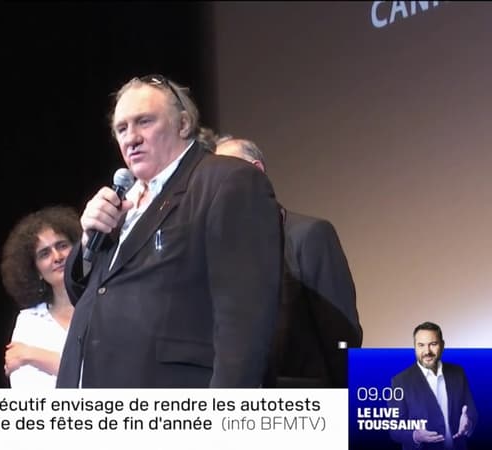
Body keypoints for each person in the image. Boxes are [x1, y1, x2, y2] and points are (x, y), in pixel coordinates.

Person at [56, 74, 283, 388]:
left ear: (183, 124)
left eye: (144, 122)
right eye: (121, 129)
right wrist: (87, 241)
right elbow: (87, 295)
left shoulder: (227, 181)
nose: (131, 138)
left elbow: (244, 322)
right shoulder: (121, 201)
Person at [215, 137, 362, 388]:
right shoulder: (220, 251)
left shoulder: (309, 234)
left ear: (256, 171)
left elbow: (342, 334)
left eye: (223, 172)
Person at [0, 205, 82, 388]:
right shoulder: (29, 321)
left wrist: (32, 355)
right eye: (44, 254)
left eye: (62, 246)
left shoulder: (102, 306)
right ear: (36, 270)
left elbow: (109, 374)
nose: (57, 257)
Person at [388, 321, 477, 450]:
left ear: (442, 345)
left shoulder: (458, 373)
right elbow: (394, 428)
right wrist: (415, 436)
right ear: (415, 347)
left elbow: (471, 411)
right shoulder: (400, 381)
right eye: (421, 345)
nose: (427, 351)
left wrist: (469, 422)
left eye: (433, 344)